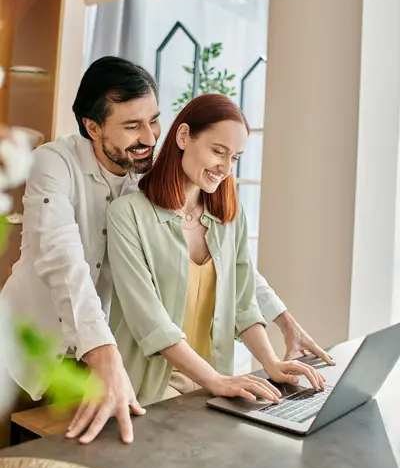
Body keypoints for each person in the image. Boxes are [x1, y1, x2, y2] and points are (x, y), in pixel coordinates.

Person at [0, 56, 333, 445]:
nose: (150, 137)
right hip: (29, 347)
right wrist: (105, 353)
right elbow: (64, 260)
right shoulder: (53, 163)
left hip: (99, 359)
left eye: (153, 120)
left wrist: (284, 321)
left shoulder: (146, 175)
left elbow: (229, 264)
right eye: (132, 125)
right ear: (92, 127)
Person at [106, 94, 325, 405]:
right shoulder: (127, 214)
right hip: (147, 386)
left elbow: (244, 304)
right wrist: (216, 381)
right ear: (183, 137)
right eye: (218, 151)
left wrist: (271, 363)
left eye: (234, 158)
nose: (225, 168)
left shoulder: (229, 218)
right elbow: (149, 321)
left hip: (210, 382)